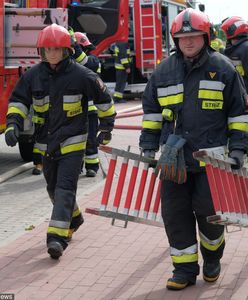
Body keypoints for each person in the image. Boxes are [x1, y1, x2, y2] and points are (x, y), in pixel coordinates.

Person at [139, 8, 248, 290]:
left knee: (209, 214)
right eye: (182, 37)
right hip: (173, 160)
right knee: (174, 215)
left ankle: (213, 256)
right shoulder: (162, 71)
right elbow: (151, 114)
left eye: (194, 36)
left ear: (206, 37)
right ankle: (184, 270)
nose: (188, 41)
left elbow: (239, 114)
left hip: (212, 161)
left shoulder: (223, 68)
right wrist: (148, 148)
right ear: (175, 39)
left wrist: (238, 151)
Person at [4, 24, 116, 259]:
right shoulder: (33, 75)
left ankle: (56, 238)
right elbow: (19, 100)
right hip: (45, 144)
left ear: (66, 50)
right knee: (53, 188)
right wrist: (13, 124)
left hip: (73, 143)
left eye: (57, 48)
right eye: (47, 49)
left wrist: (106, 128)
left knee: (65, 188)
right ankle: (74, 218)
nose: (52, 53)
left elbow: (105, 100)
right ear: (41, 52)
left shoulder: (82, 75)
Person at [73, 31, 102, 177]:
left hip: (90, 111)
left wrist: (74, 46)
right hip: (73, 111)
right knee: (74, 142)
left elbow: (85, 63)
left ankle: (92, 167)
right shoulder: (69, 66)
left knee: (90, 140)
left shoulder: (94, 61)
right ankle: (76, 167)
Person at [221, 16, 248, 92]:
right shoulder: (235, 48)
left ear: (231, 31)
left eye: (225, 32)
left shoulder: (245, 48)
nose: (225, 36)